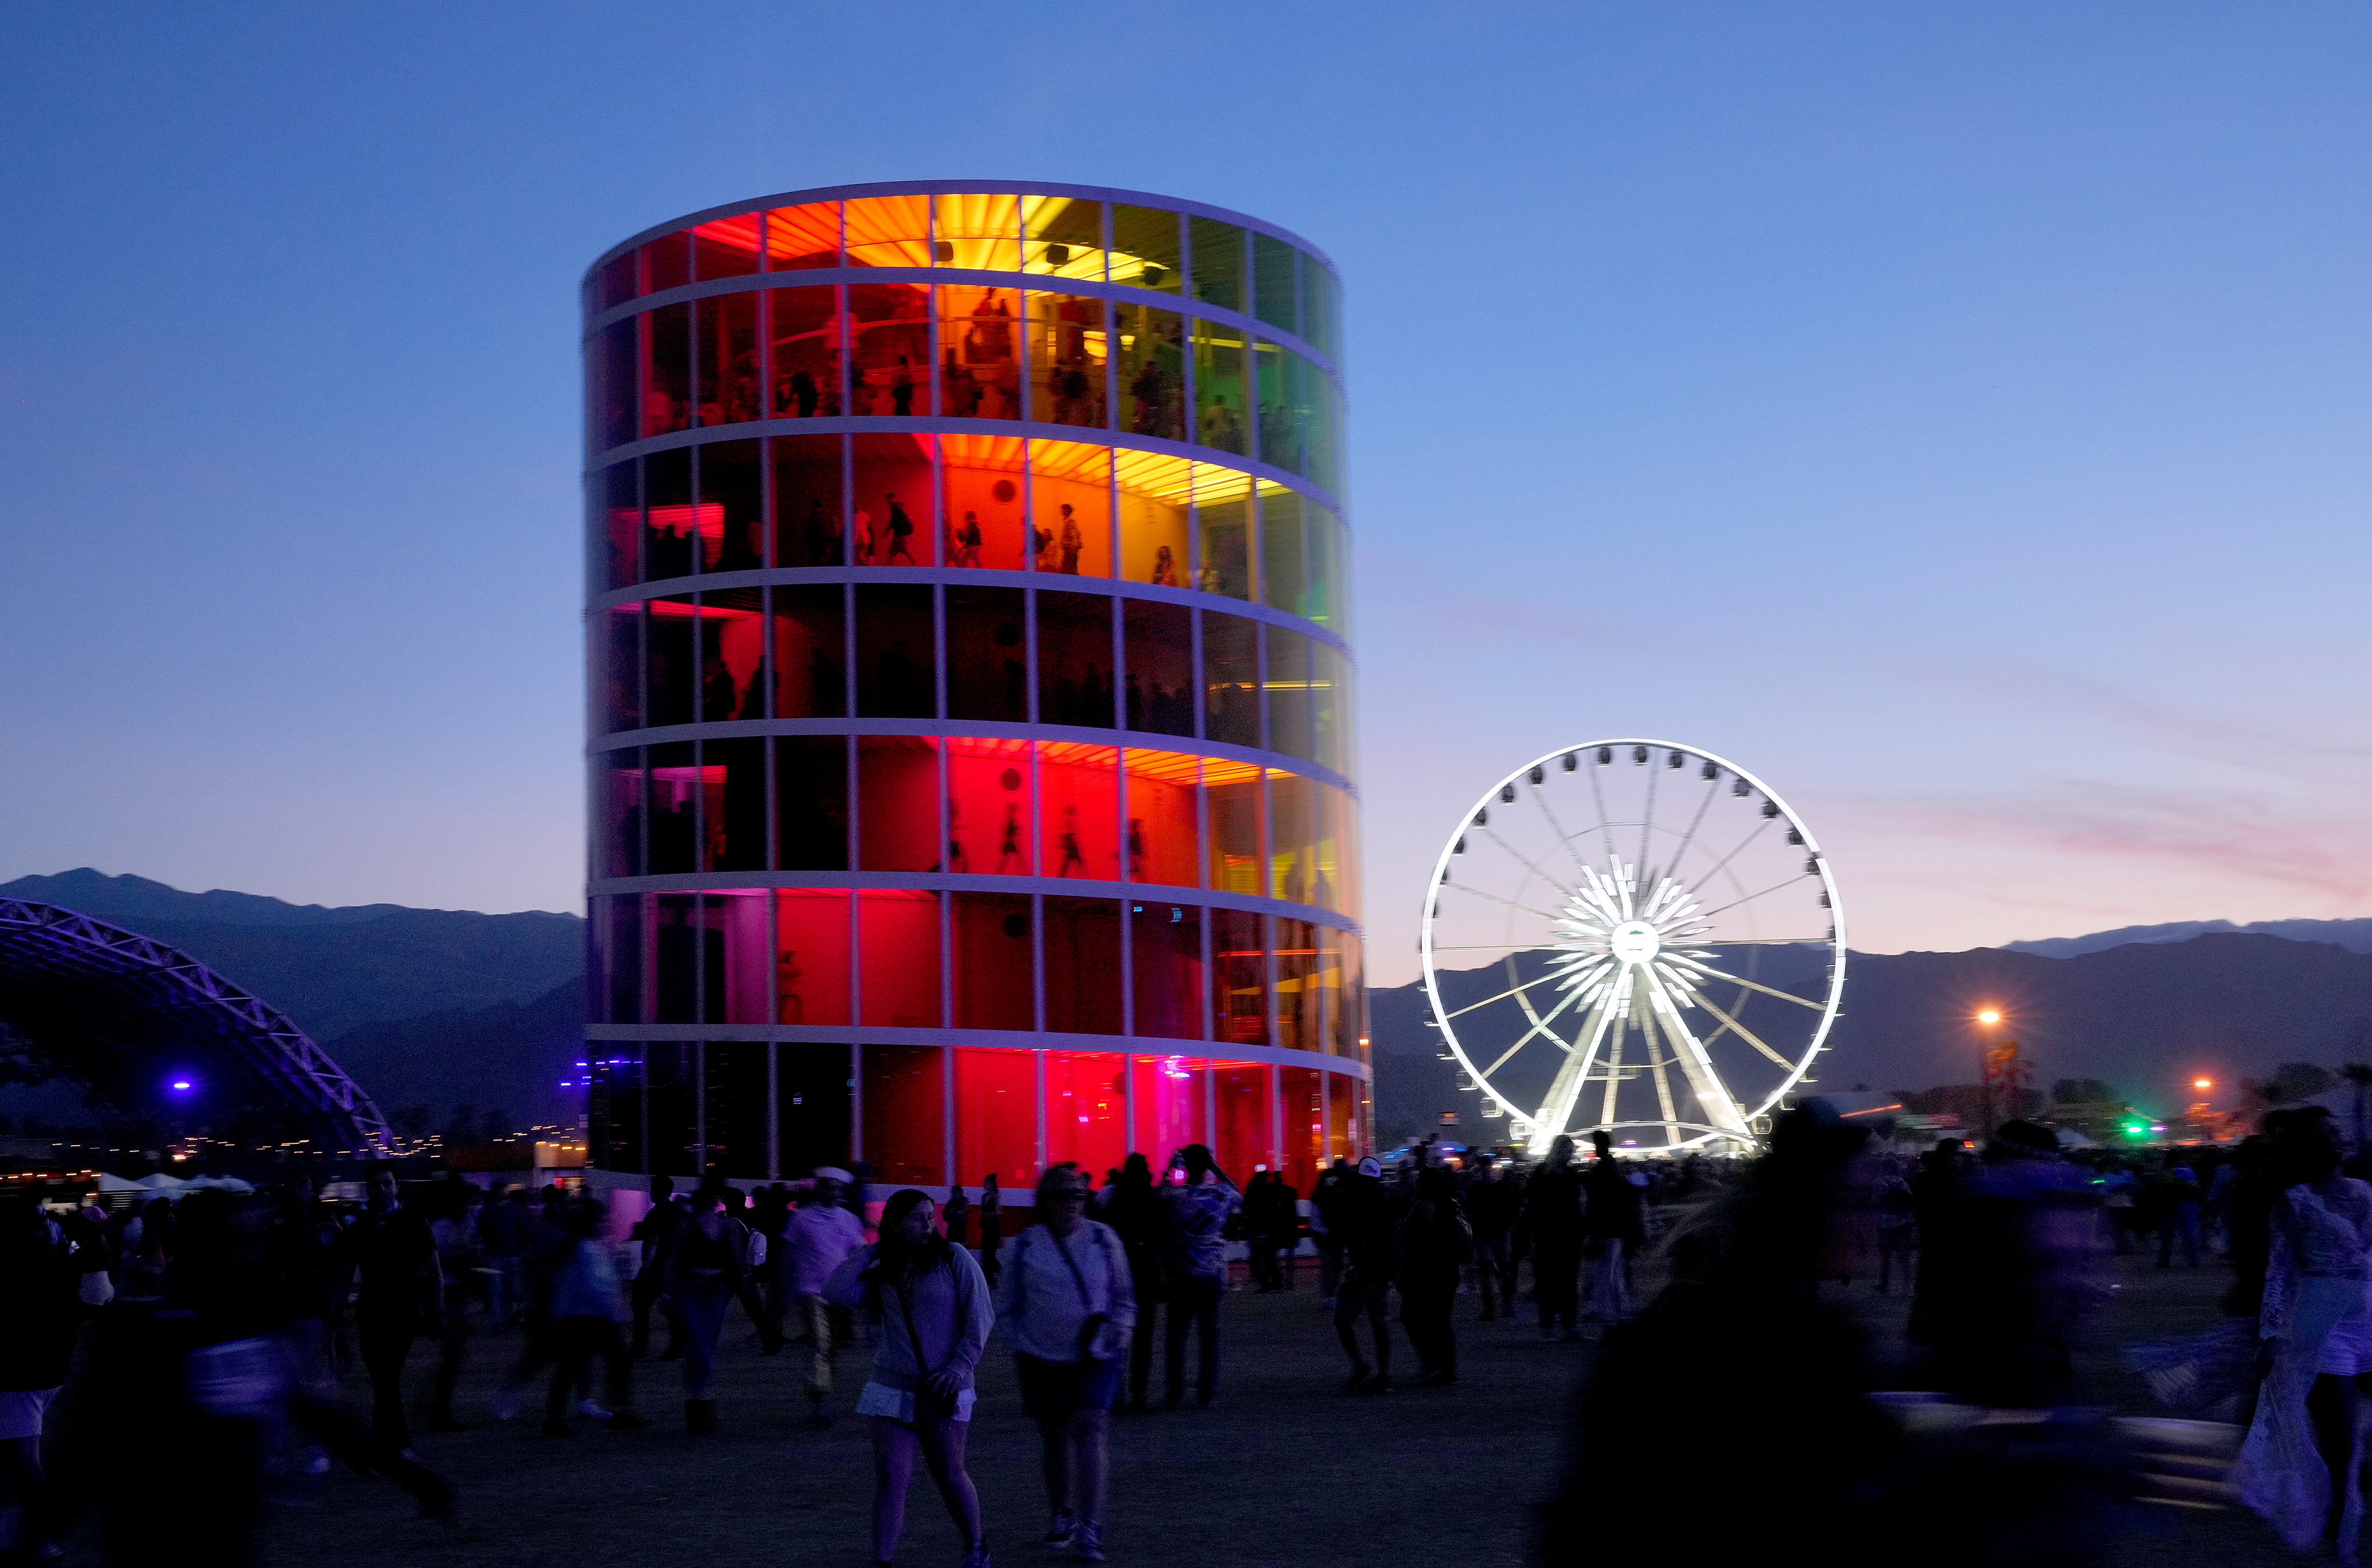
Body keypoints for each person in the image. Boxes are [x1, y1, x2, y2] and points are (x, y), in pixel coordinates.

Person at [825, 1190, 995, 1568]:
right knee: (890, 1479)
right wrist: (871, 1251)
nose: (928, 1224)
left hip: (944, 1387)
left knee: (949, 1473)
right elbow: (835, 1289)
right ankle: (883, 1561)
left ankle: (976, 1546)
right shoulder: (885, 1269)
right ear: (895, 1224)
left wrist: (958, 1368)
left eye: (930, 1216)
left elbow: (980, 1320)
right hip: (892, 1385)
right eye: (917, 1218)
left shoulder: (955, 1259)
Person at [2235, 1109, 2372, 1554]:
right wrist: (2270, 1334)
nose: (2336, 1139)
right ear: (2306, 1148)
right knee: (2342, 1435)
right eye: (2323, 1135)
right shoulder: (2294, 1201)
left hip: (2367, 1313)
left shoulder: (2366, 1190)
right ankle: (2338, 1517)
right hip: (2323, 1324)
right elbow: (2279, 1271)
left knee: (2353, 1431)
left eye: (2337, 1132)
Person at [1001, 1165, 1134, 1562]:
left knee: (1092, 1426)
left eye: (1078, 1194)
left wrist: (1119, 1331)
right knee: (1055, 1435)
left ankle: (1091, 1527)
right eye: (1062, 1195)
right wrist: (1023, 1344)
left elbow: (1124, 1296)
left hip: (1097, 1353)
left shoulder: (1104, 1239)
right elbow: (1006, 1305)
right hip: (1041, 1357)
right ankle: (1063, 1513)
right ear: (1045, 1201)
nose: (1072, 1203)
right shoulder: (1025, 1246)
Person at [0, 1196, 103, 1563]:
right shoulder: (57, 1255)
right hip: (49, 1370)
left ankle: (40, 1539)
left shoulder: (18, 1261)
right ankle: (20, 1526)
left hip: (20, 1373)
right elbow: (86, 1303)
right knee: (18, 1456)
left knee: (26, 1461)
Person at [335, 1161, 445, 1455]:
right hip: (371, 1313)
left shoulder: (414, 1222)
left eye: (387, 1183)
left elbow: (434, 1269)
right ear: (368, 1189)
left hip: (403, 1312)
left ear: (397, 1187)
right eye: (375, 1184)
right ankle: (384, 1444)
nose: (381, 1189)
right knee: (384, 1378)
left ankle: (396, 1443)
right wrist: (334, 1311)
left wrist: (438, 1309)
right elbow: (345, 1274)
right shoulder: (359, 1228)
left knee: (385, 1377)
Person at [537, 1199, 645, 1438]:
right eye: (601, 1220)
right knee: (603, 1363)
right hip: (587, 1317)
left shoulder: (582, 1246)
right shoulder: (583, 1247)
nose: (605, 1223)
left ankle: (556, 1418)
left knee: (575, 1366)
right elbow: (595, 1284)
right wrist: (615, 1311)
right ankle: (618, 1411)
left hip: (583, 1317)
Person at [667, 1178, 767, 1433]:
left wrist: (744, 1280)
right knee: (701, 1346)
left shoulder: (717, 1225)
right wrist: (668, 1292)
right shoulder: (695, 1224)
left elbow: (737, 1262)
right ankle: (701, 1401)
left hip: (712, 1290)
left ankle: (698, 1401)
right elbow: (672, 1260)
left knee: (704, 1346)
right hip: (694, 1289)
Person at [1160, 1144, 1241, 1409]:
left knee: (1177, 1337)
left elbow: (1160, 1195)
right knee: (1210, 1336)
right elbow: (1238, 1192)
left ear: (1187, 1166)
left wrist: (1172, 1168)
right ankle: (1207, 1394)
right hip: (1213, 1273)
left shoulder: (1179, 1196)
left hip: (1185, 1271)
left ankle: (1175, 1393)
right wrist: (1213, 1166)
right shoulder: (1221, 1194)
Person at [787, 1167, 868, 1425]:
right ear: (820, 1188)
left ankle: (824, 1397)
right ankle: (821, 1400)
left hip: (840, 1293)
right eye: (830, 1187)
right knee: (820, 1344)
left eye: (838, 1188)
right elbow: (786, 1257)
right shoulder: (801, 1218)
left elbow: (859, 1255)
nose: (834, 1192)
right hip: (811, 1291)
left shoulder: (849, 1219)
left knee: (831, 1347)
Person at [1094, 1154, 1166, 1411]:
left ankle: (1116, 1393)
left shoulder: (1116, 1199)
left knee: (1118, 1335)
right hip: (1146, 1272)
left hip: (1121, 1273)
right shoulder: (1152, 1199)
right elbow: (1161, 1235)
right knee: (1144, 1337)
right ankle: (1139, 1393)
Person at [1524, 1135, 1586, 1339]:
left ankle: (1556, 1326)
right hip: (1554, 1236)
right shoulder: (1560, 1174)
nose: (1571, 1155)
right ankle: (1557, 1326)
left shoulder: (1546, 1173)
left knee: (1559, 1283)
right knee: (1555, 1283)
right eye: (1569, 1151)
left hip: (1558, 1236)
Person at [1582, 1130, 1646, 1326]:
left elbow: (1599, 1202)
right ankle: (1619, 1309)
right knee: (1614, 1270)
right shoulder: (1613, 1169)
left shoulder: (1603, 1171)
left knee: (1606, 1271)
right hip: (1615, 1227)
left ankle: (1608, 1310)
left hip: (1607, 1228)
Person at [628, 1174, 685, 1359]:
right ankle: (678, 1346)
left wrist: (646, 1268)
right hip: (675, 1267)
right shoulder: (677, 1211)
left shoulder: (656, 1213)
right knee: (672, 1308)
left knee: (640, 1304)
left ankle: (640, 1346)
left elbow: (654, 1241)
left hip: (657, 1267)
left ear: (656, 1191)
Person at [1464, 1158, 1520, 1320]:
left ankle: (1498, 1306)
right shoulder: (1491, 1188)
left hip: (1495, 1232)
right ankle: (1499, 1306)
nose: (1486, 1173)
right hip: (1490, 1233)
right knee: (1493, 1270)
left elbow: (1471, 1209)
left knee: (1496, 1270)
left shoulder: (1491, 1188)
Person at [479, 1186, 531, 1328]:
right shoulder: (512, 1208)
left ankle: (502, 1319)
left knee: (501, 1289)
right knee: (502, 1289)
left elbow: (481, 1232)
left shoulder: (488, 1210)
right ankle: (502, 1319)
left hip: (498, 1254)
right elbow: (524, 1228)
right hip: (505, 1254)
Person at [979, 1173, 1004, 1287]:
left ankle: (993, 1275)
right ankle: (990, 1276)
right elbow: (983, 1212)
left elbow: (997, 1212)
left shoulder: (996, 1196)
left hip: (994, 1228)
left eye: (987, 1182)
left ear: (992, 1184)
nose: (985, 1184)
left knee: (991, 1252)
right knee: (986, 1252)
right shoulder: (985, 1197)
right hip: (987, 1227)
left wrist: (988, 1215)